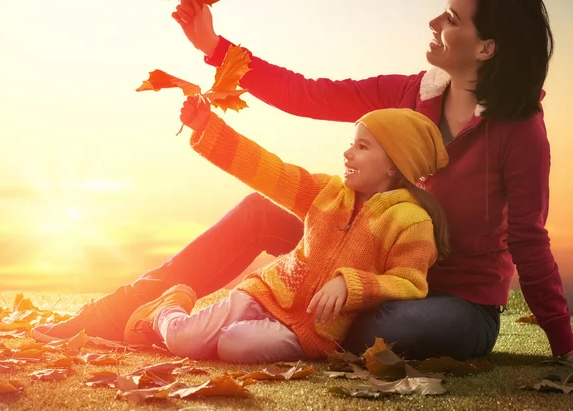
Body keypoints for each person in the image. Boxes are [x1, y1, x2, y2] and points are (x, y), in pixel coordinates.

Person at [32, 0, 573, 361]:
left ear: (487, 48)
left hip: (453, 300)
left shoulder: (519, 131)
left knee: (380, 331)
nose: (435, 21)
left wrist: (563, 340)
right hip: (359, 250)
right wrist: (216, 48)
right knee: (255, 213)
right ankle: (119, 314)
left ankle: (272, 321)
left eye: (452, 18)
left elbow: (527, 239)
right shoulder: (407, 94)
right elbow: (306, 96)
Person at [121, 99, 449, 362]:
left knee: (234, 345)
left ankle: (198, 330)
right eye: (351, 143)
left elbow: (409, 282)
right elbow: (267, 170)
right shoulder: (327, 193)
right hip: (265, 294)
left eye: (362, 147)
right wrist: (209, 128)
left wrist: (351, 285)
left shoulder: (411, 221)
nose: (348, 153)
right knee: (183, 339)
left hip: (309, 334)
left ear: (394, 163)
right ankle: (165, 309)